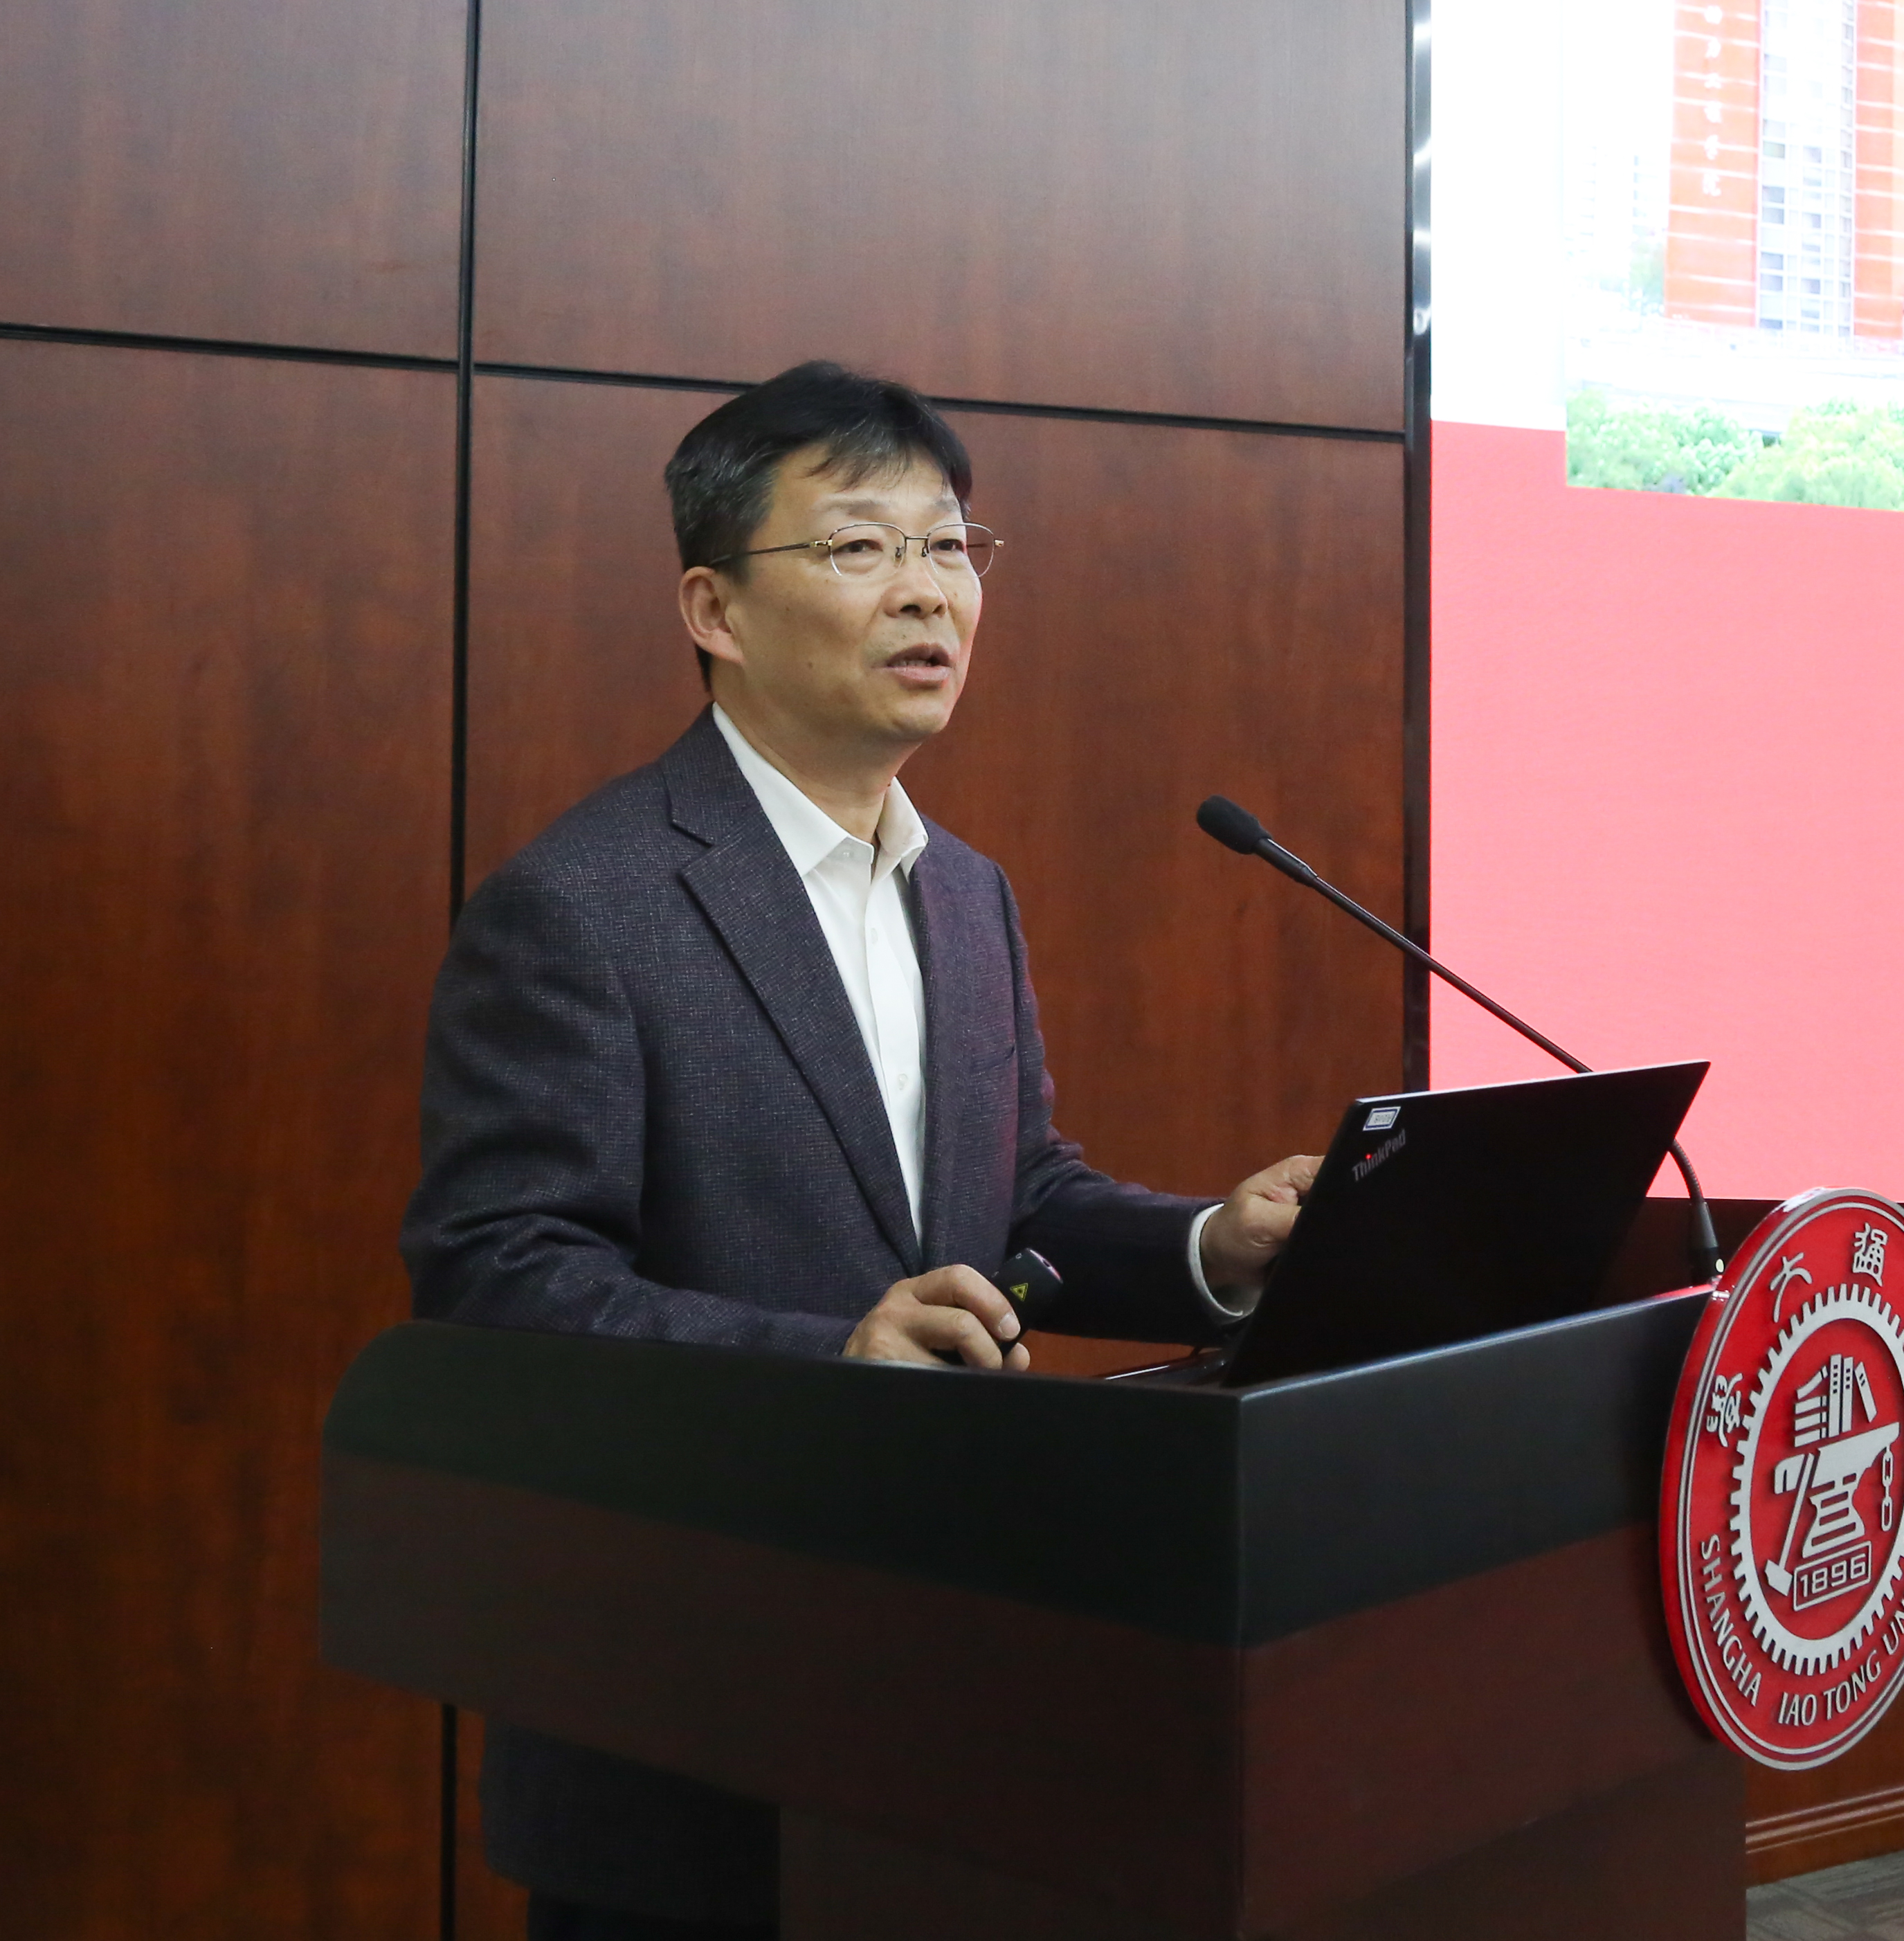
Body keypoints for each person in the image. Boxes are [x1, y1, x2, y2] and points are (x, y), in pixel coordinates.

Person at [403, 361, 1317, 1940]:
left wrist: (1207, 1249)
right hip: (690, 1709)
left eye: (950, 547)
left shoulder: (965, 890)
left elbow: (1016, 1201)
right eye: (856, 548)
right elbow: (498, 1282)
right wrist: (829, 1358)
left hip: (941, 1689)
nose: (926, 592)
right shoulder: (583, 903)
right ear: (714, 607)